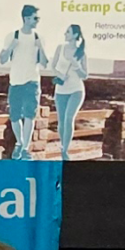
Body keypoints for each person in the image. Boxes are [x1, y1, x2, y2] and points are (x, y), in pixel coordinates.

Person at [0, 5, 50, 159]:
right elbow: (2, 59)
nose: (38, 21)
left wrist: (41, 48)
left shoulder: (39, 37)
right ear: (26, 19)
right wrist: (12, 46)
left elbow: (45, 63)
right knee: (14, 116)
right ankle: (19, 143)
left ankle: (25, 149)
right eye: (35, 18)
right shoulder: (13, 36)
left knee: (30, 116)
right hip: (16, 81)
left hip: (32, 81)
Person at [49, 24, 89, 158]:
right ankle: (62, 145)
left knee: (68, 118)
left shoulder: (81, 53)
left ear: (75, 35)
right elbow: (52, 66)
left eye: (68, 32)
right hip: (60, 90)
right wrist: (60, 75)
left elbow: (85, 75)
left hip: (76, 90)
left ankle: (64, 151)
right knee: (61, 121)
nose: (65, 34)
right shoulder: (60, 48)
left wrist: (76, 65)